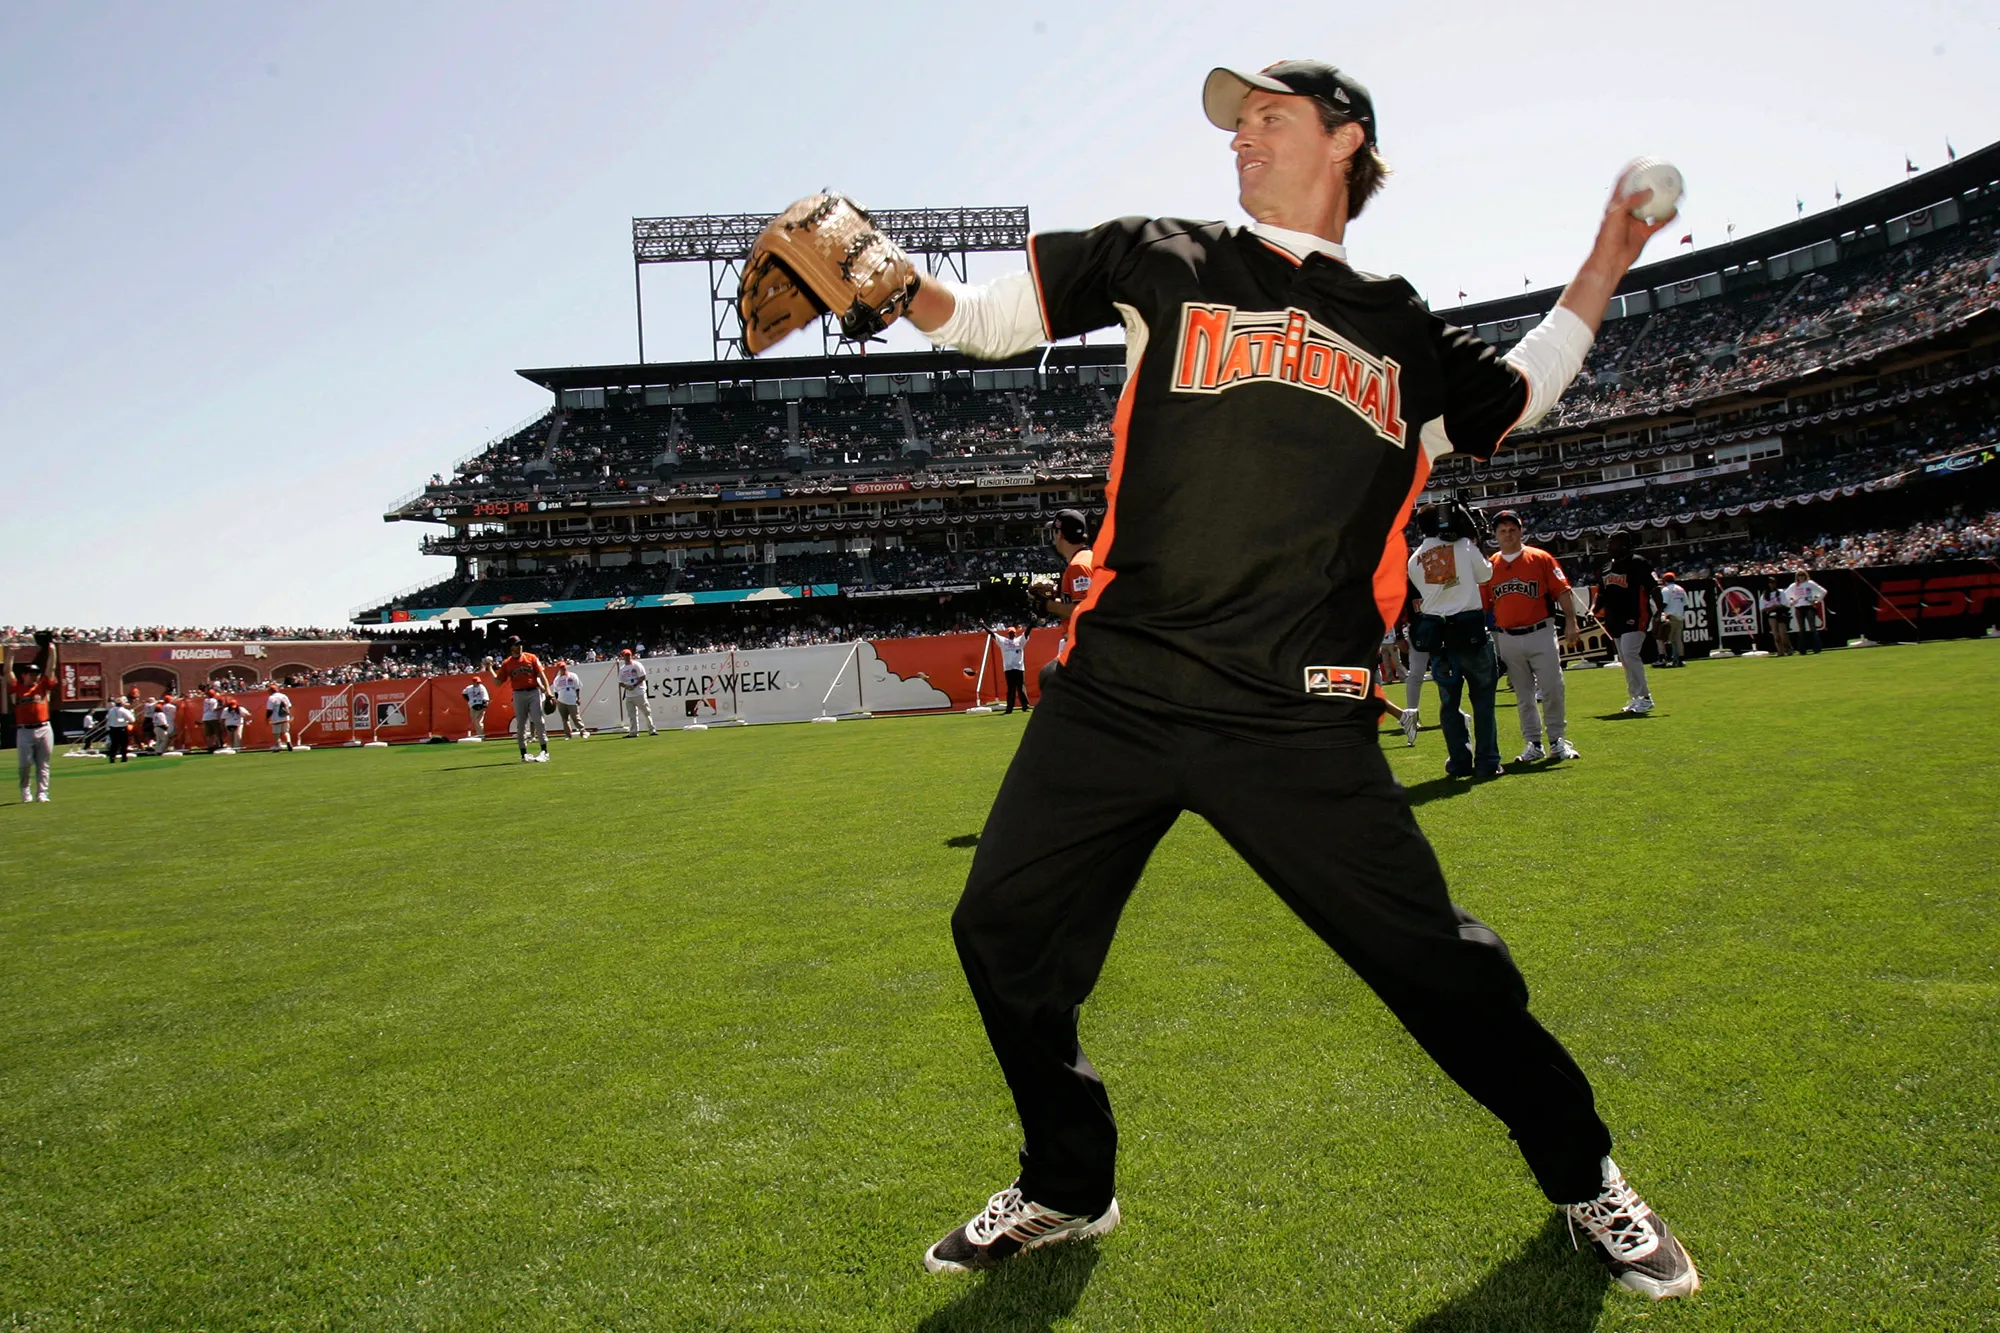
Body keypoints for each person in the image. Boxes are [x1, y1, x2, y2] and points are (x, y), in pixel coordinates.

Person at [900, 58, 1696, 1299]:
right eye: (1234, 125)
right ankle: (1067, 1182)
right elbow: (987, 318)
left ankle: (1582, 1170)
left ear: (1345, 140)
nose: (1241, 138)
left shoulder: (1399, 328)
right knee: (999, 929)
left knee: (1440, 965)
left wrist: (1608, 247)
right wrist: (899, 285)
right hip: (1120, 687)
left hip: (1294, 710)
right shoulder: (1161, 254)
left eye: (1268, 117)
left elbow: (1527, 387)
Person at [1407, 503, 1501, 778]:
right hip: (1470, 632)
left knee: (1449, 704)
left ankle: (1459, 761)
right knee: (1483, 701)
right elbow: (1486, 575)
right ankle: (1487, 762)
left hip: (1440, 639)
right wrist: (1473, 541)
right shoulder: (1463, 547)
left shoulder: (1414, 560)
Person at [1487, 509, 1582, 763]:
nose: (1508, 534)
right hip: (1507, 635)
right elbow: (1484, 602)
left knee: (1552, 687)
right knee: (1523, 694)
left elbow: (1563, 591)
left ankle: (1557, 739)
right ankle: (1533, 743)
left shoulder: (1540, 557)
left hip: (1540, 630)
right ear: (1495, 534)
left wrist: (1571, 622)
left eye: (1512, 529)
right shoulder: (1490, 564)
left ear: (1521, 531)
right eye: (1502, 530)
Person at [1592, 534, 1660, 714]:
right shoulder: (1607, 567)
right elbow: (1601, 593)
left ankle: (1645, 697)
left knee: (1630, 654)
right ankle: (1635, 696)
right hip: (1614, 618)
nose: (1609, 545)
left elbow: (1653, 587)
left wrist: (1662, 611)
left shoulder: (1638, 562)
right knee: (1625, 659)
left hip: (1635, 615)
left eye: (1613, 542)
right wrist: (1593, 609)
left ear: (1625, 544)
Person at [1032, 510, 1094, 693]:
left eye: (1054, 532)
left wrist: (1046, 604)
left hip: (1084, 648)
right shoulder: (1087, 558)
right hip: (1090, 645)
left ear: (1059, 533)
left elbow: (1083, 610)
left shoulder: (1078, 566)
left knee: (1050, 680)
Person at [491, 636, 552, 763]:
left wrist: (548, 691)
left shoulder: (531, 657)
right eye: (516, 644)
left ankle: (544, 751)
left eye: (520, 644)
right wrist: (489, 669)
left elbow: (542, 675)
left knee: (538, 721)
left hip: (533, 691)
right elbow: (497, 682)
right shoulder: (507, 663)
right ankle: (524, 753)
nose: (519, 647)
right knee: (521, 725)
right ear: (510, 647)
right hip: (518, 694)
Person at [13, 637, 59, 802]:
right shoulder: (17, 688)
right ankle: (25, 791)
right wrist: (10, 654)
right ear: (24, 675)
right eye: (31, 674)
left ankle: (42, 792)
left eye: (36, 674)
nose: (35, 676)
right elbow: (6, 673)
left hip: (44, 728)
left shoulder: (42, 686)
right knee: (25, 764)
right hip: (24, 730)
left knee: (43, 763)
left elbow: (51, 668)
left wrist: (52, 650)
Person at [616, 649, 658, 736]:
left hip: (639, 692)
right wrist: (627, 687)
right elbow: (620, 682)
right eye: (626, 655)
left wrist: (634, 685)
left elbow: (643, 677)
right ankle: (633, 732)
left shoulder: (637, 665)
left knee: (646, 712)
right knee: (632, 715)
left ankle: (652, 730)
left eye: (629, 655)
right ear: (623, 657)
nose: (627, 657)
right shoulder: (622, 669)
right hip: (629, 694)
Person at [1786, 571, 1828, 653]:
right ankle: (1802, 649)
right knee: (1802, 629)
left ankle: (1817, 648)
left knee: (1812, 628)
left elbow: (1823, 591)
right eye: (1799, 576)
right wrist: (1791, 600)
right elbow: (1786, 594)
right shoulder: (1794, 585)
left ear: (1806, 576)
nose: (1801, 577)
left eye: (1803, 575)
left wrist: (1816, 600)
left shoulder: (1810, 583)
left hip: (1809, 606)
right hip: (1799, 607)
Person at [993, 625, 1030, 713]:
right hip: (1008, 668)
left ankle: (1025, 706)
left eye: (1013, 633)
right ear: (1008, 634)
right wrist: (983, 625)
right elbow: (993, 634)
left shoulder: (1020, 641)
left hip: (1019, 667)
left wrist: (1032, 624)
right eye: (1010, 633)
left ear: (1015, 633)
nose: (1011, 634)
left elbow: (1027, 633)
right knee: (1011, 689)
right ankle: (1009, 708)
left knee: (1021, 688)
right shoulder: (1003, 641)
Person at [1657, 572, 1688, 668]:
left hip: (1670, 616)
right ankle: (1680, 660)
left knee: (1664, 638)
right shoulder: (1681, 589)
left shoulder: (1666, 590)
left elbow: (1664, 603)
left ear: (1665, 580)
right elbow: (1686, 604)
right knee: (1678, 639)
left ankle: (1670, 660)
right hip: (1680, 616)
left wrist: (1659, 612)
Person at [551, 660, 588, 739]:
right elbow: (556, 691)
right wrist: (557, 700)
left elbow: (577, 687)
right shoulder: (557, 679)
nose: (563, 669)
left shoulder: (572, 675)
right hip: (561, 700)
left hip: (571, 699)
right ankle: (568, 734)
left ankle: (583, 731)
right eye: (561, 668)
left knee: (575, 717)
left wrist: (578, 697)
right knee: (564, 718)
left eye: (564, 667)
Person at [1760, 581, 1793, 656]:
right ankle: (1780, 651)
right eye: (1770, 583)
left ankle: (1788, 648)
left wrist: (1778, 606)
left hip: (1781, 613)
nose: (1772, 584)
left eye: (1774, 583)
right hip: (1771, 614)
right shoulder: (1765, 595)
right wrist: (1772, 607)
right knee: (1775, 634)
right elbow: (1762, 608)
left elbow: (1785, 604)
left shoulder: (1780, 592)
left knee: (1783, 633)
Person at [104, 695, 135, 763]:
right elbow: (132, 720)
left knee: (114, 744)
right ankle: (124, 758)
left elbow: (107, 718)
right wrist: (125, 720)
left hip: (112, 728)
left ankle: (112, 757)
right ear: (122, 704)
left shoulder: (111, 710)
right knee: (123, 744)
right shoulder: (124, 710)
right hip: (121, 728)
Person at [266, 686, 295, 751]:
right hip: (285, 717)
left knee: (276, 733)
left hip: (276, 718)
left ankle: (277, 746)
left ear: (271, 691)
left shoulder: (271, 698)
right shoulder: (284, 696)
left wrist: (267, 718)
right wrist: (290, 715)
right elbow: (289, 706)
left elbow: (269, 710)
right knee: (286, 732)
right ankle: (288, 742)